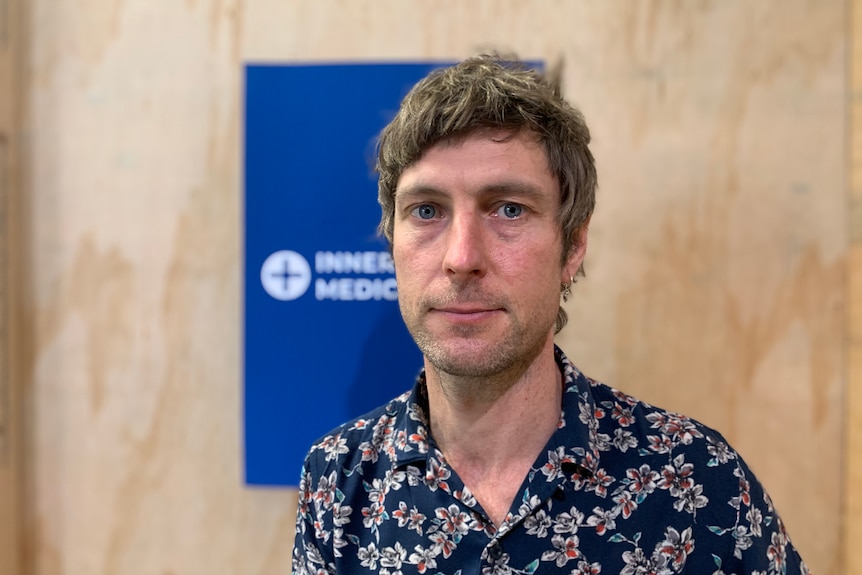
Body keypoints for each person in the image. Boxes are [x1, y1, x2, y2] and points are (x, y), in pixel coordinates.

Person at [292, 54, 809, 575]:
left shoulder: (698, 483)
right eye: (426, 210)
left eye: (508, 209)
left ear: (573, 244)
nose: (461, 258)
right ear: (392, 242)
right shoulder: (338, 481)